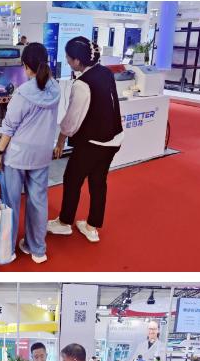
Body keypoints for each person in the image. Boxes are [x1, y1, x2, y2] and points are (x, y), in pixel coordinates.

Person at [48, 37, 123, 244]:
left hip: (92, 142)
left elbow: (72, 121)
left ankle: (64, 222)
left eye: (68, 58)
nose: (67, 61)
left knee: (72, 179)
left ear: (78, 61)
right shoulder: (105, 72)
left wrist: (60, 140)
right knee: (98, 182)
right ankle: (92, 227)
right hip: (113, 139)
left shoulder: (82, 84)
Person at [0, 42, 61, 264]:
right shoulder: (55, 89)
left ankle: (7, 249)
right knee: (38, 202)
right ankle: (37, 249)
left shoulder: (23, 93)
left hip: (17, 156)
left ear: (26, 66)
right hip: (42, 154)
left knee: (11, 203)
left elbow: (9, 127)